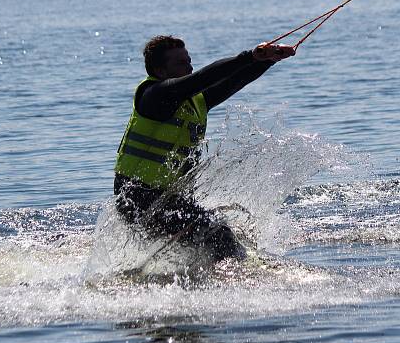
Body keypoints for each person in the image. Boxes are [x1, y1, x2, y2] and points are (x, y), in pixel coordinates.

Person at [114, 35, 295, 264]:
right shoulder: (154, 95)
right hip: (137, 197)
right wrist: (249, 56)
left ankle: (204, 278)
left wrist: (267, 61)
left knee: (219, 234)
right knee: (219, 236)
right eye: (181, 63)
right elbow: (202, 78)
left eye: (189, 61)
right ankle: (232, 282)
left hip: (166, 197)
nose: (189, 67)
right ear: (160, 71)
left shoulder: (195, 102)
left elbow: (232, 82)